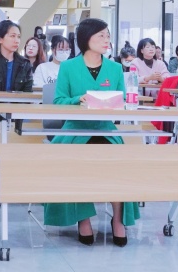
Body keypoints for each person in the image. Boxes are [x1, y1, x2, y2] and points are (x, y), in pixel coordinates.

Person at [43, 18, 138, 247]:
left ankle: (118, 218)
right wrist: (79, 99)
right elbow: (58, 101)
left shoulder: (115, 68)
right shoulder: (68, 67)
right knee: (75, 162)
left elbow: (122, 101)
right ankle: (83, 218)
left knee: (120, 163)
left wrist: (114, 103)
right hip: (75, 130)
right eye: (101, 36)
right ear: (86, 39)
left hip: (106, 129)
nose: (107, 40)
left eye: (108, 35)